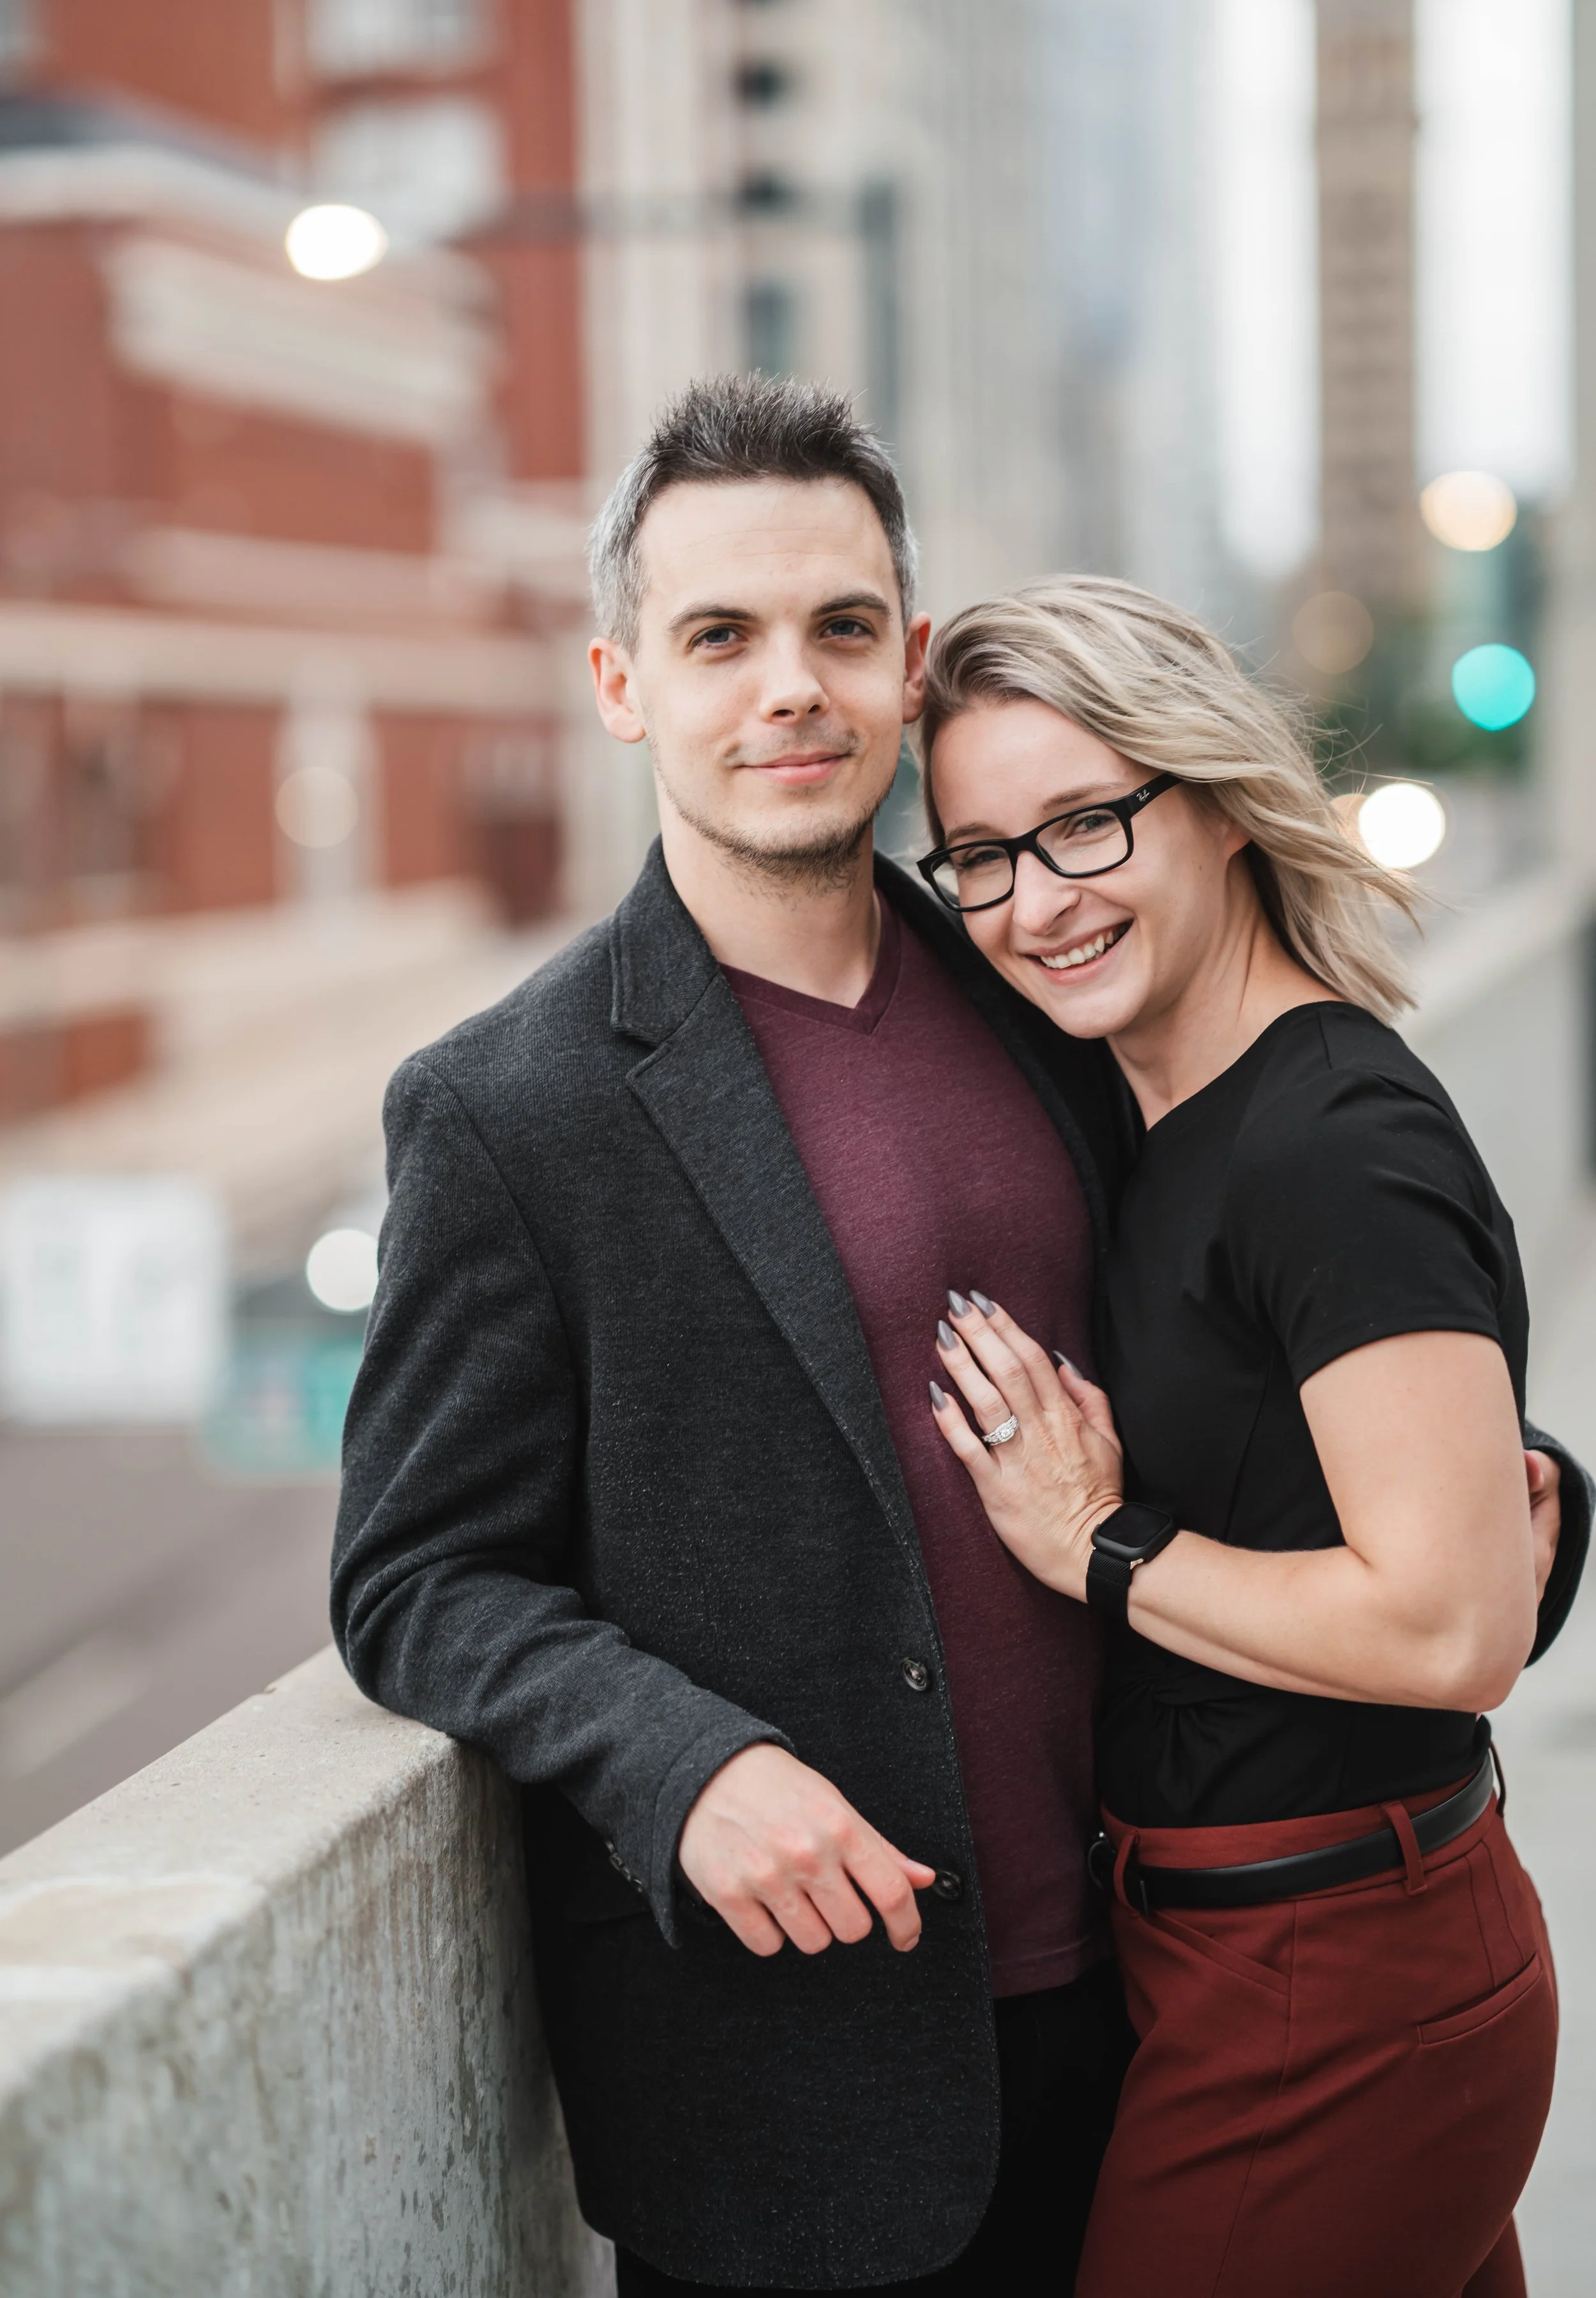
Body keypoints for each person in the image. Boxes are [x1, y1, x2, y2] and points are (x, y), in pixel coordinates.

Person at [329, 379, 1586, 2295]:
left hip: (1167, 1985)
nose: (789, 689)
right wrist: (675, 1764)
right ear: (619, 682)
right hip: (803, 2081)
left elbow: (1255, 1316)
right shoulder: (512, 1109)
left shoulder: (1044, 982)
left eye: (840, 628)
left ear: (906, 667)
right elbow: (417, 1574)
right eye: (718, 636)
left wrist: (1517, 1500)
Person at [914, 573, 1578, 2298]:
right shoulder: (1150, 1116)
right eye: (979, 852)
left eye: (1082, 824)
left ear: (1209, 800)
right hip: (1231, 1953)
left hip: (1341, 1980)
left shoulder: (1319, 1134)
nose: (1030, 901)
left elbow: (1452, 1627)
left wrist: (1100, 1544)